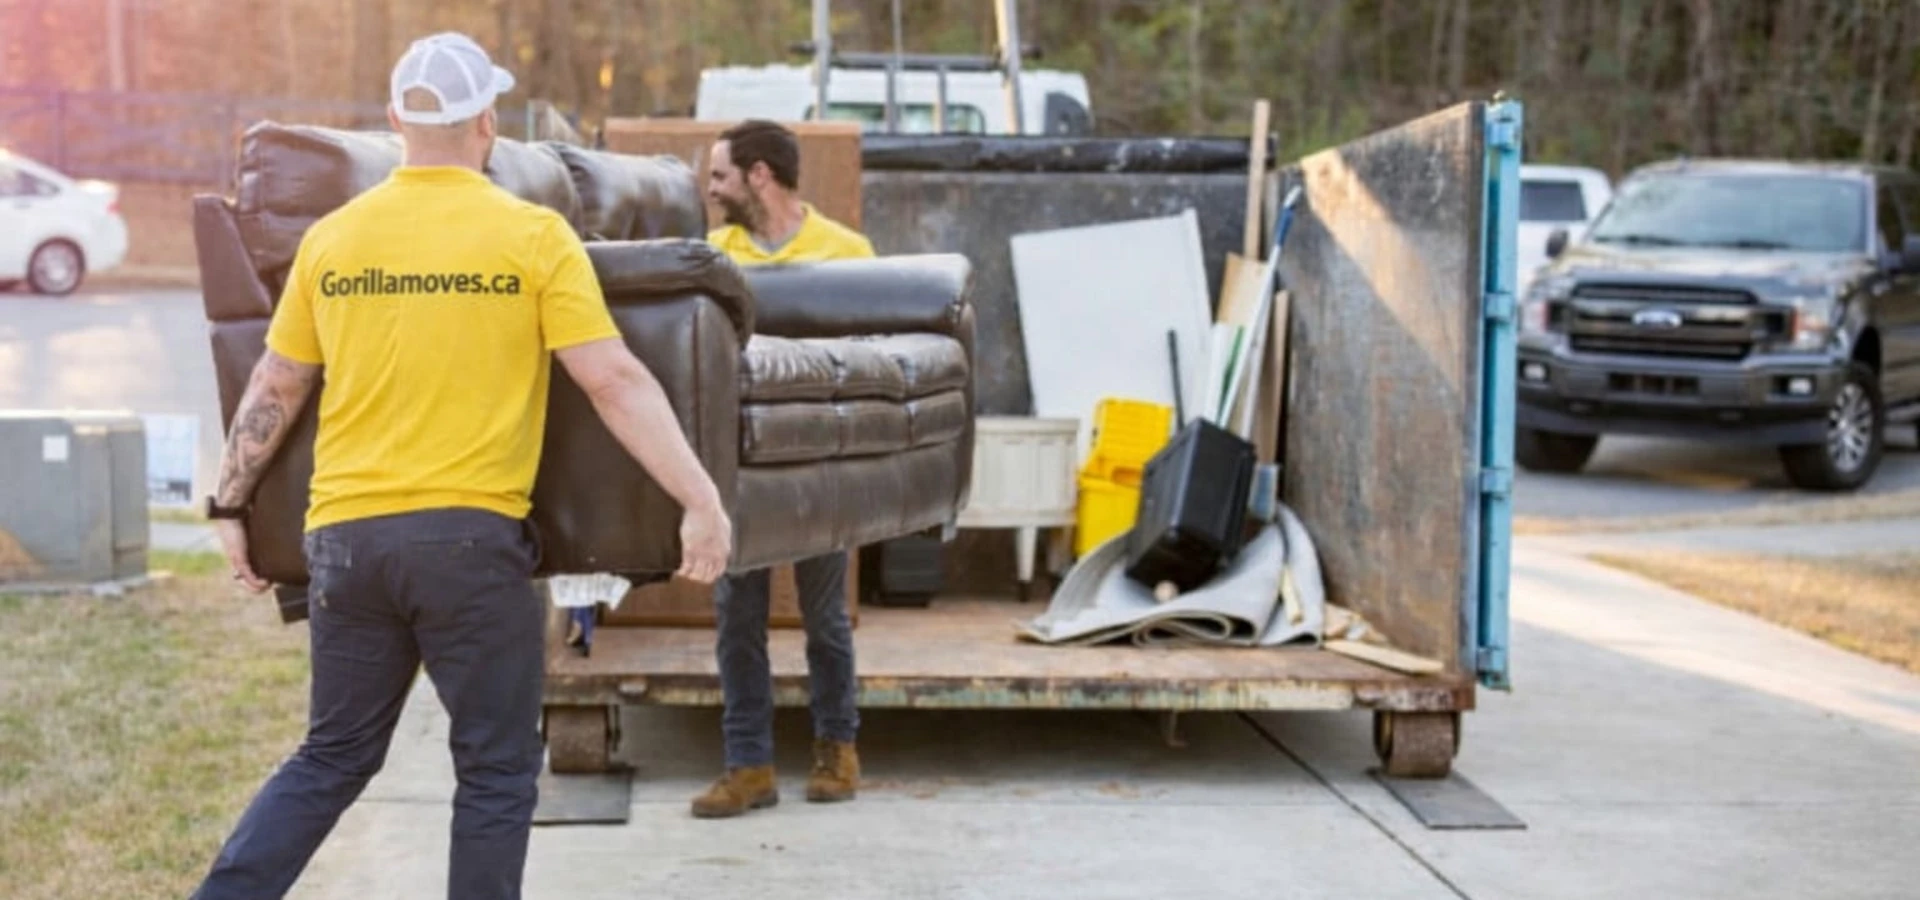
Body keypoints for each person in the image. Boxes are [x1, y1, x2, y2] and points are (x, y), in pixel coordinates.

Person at [191, 32, 731, 900]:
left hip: (348, 545)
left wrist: (230, 509)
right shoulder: (531, 234)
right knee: (495, 770)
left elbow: (275, 385)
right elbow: (614, 379)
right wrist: (699, 496)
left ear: (399, 119)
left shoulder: (334, 240)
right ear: (487, 120)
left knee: (332, 756)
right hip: (469, 547)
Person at [691, 119, 874, 819]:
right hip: (738, 468)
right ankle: (749, 767)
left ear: (759, 175)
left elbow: (871, 358)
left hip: (820, 467)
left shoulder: (847, 253)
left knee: (825, 618)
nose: (711, 191)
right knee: (737, 618)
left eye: (720, 177)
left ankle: (838, 749)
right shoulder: (714, 256)